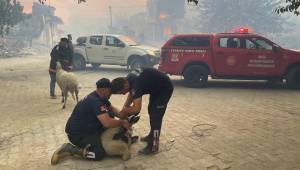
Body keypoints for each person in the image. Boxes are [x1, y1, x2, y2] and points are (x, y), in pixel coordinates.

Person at [51, 78, 131, 165]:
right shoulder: (95, 101)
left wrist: (123, 115)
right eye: (109, 91)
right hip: (78, 134)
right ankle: (69, 148)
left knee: (109, 116)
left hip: (89, 128)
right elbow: (107, 123)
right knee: (98, 153)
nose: (110, 94)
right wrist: (122, 122)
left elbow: (111, 108)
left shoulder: (100, 96)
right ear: (102, 90)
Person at [111, 68, 174, 155]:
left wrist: (126, 110)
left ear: (125, 85)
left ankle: (154, 146)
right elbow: (131, 94)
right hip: (157, 88)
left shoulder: (135, 84)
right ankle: (151, 136)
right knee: (152, 110)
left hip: (164, 89)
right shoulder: (128, 80)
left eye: (122, 92)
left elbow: (137, 109)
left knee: (156, 116)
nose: (123, 94)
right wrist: (124, 108)